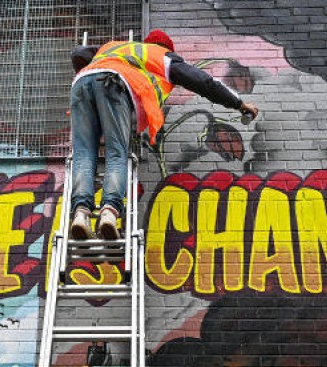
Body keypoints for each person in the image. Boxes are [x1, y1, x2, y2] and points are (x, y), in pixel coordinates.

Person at [69, 30, 259, 240]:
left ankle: (80, 214)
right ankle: (109, 213)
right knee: (117, 153)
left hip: (81, 83)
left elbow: (80, 53)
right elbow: (203, 82)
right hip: (113, 85)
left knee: (84, 153)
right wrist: (239, 104)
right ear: (167, 48)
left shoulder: (115, 47)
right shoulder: (162, 56)